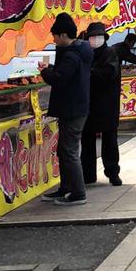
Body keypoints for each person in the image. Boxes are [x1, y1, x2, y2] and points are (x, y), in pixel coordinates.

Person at [39, 13, 93, 206]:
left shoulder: (72, 55)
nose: (52, 39)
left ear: (63, 35)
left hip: (73, 109)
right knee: (64, 150)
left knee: (68, 151)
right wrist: (52, 67)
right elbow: (65, 73)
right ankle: (66, 188)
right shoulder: (78, 51)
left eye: (54, 36)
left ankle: (78, 193)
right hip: (75, 108)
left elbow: (60, 80)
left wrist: (45, 71)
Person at [82, 22, 122, 187]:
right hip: (89, 104)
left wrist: (88, 73)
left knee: (110, 140)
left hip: (107, 104)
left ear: (104, 38)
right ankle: (88, 174)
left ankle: (113, 173)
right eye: (92, 37)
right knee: (87, 141)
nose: (95, 40)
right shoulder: (85, 54)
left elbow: (108, 74)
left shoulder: (110, 53)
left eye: (98, 37)